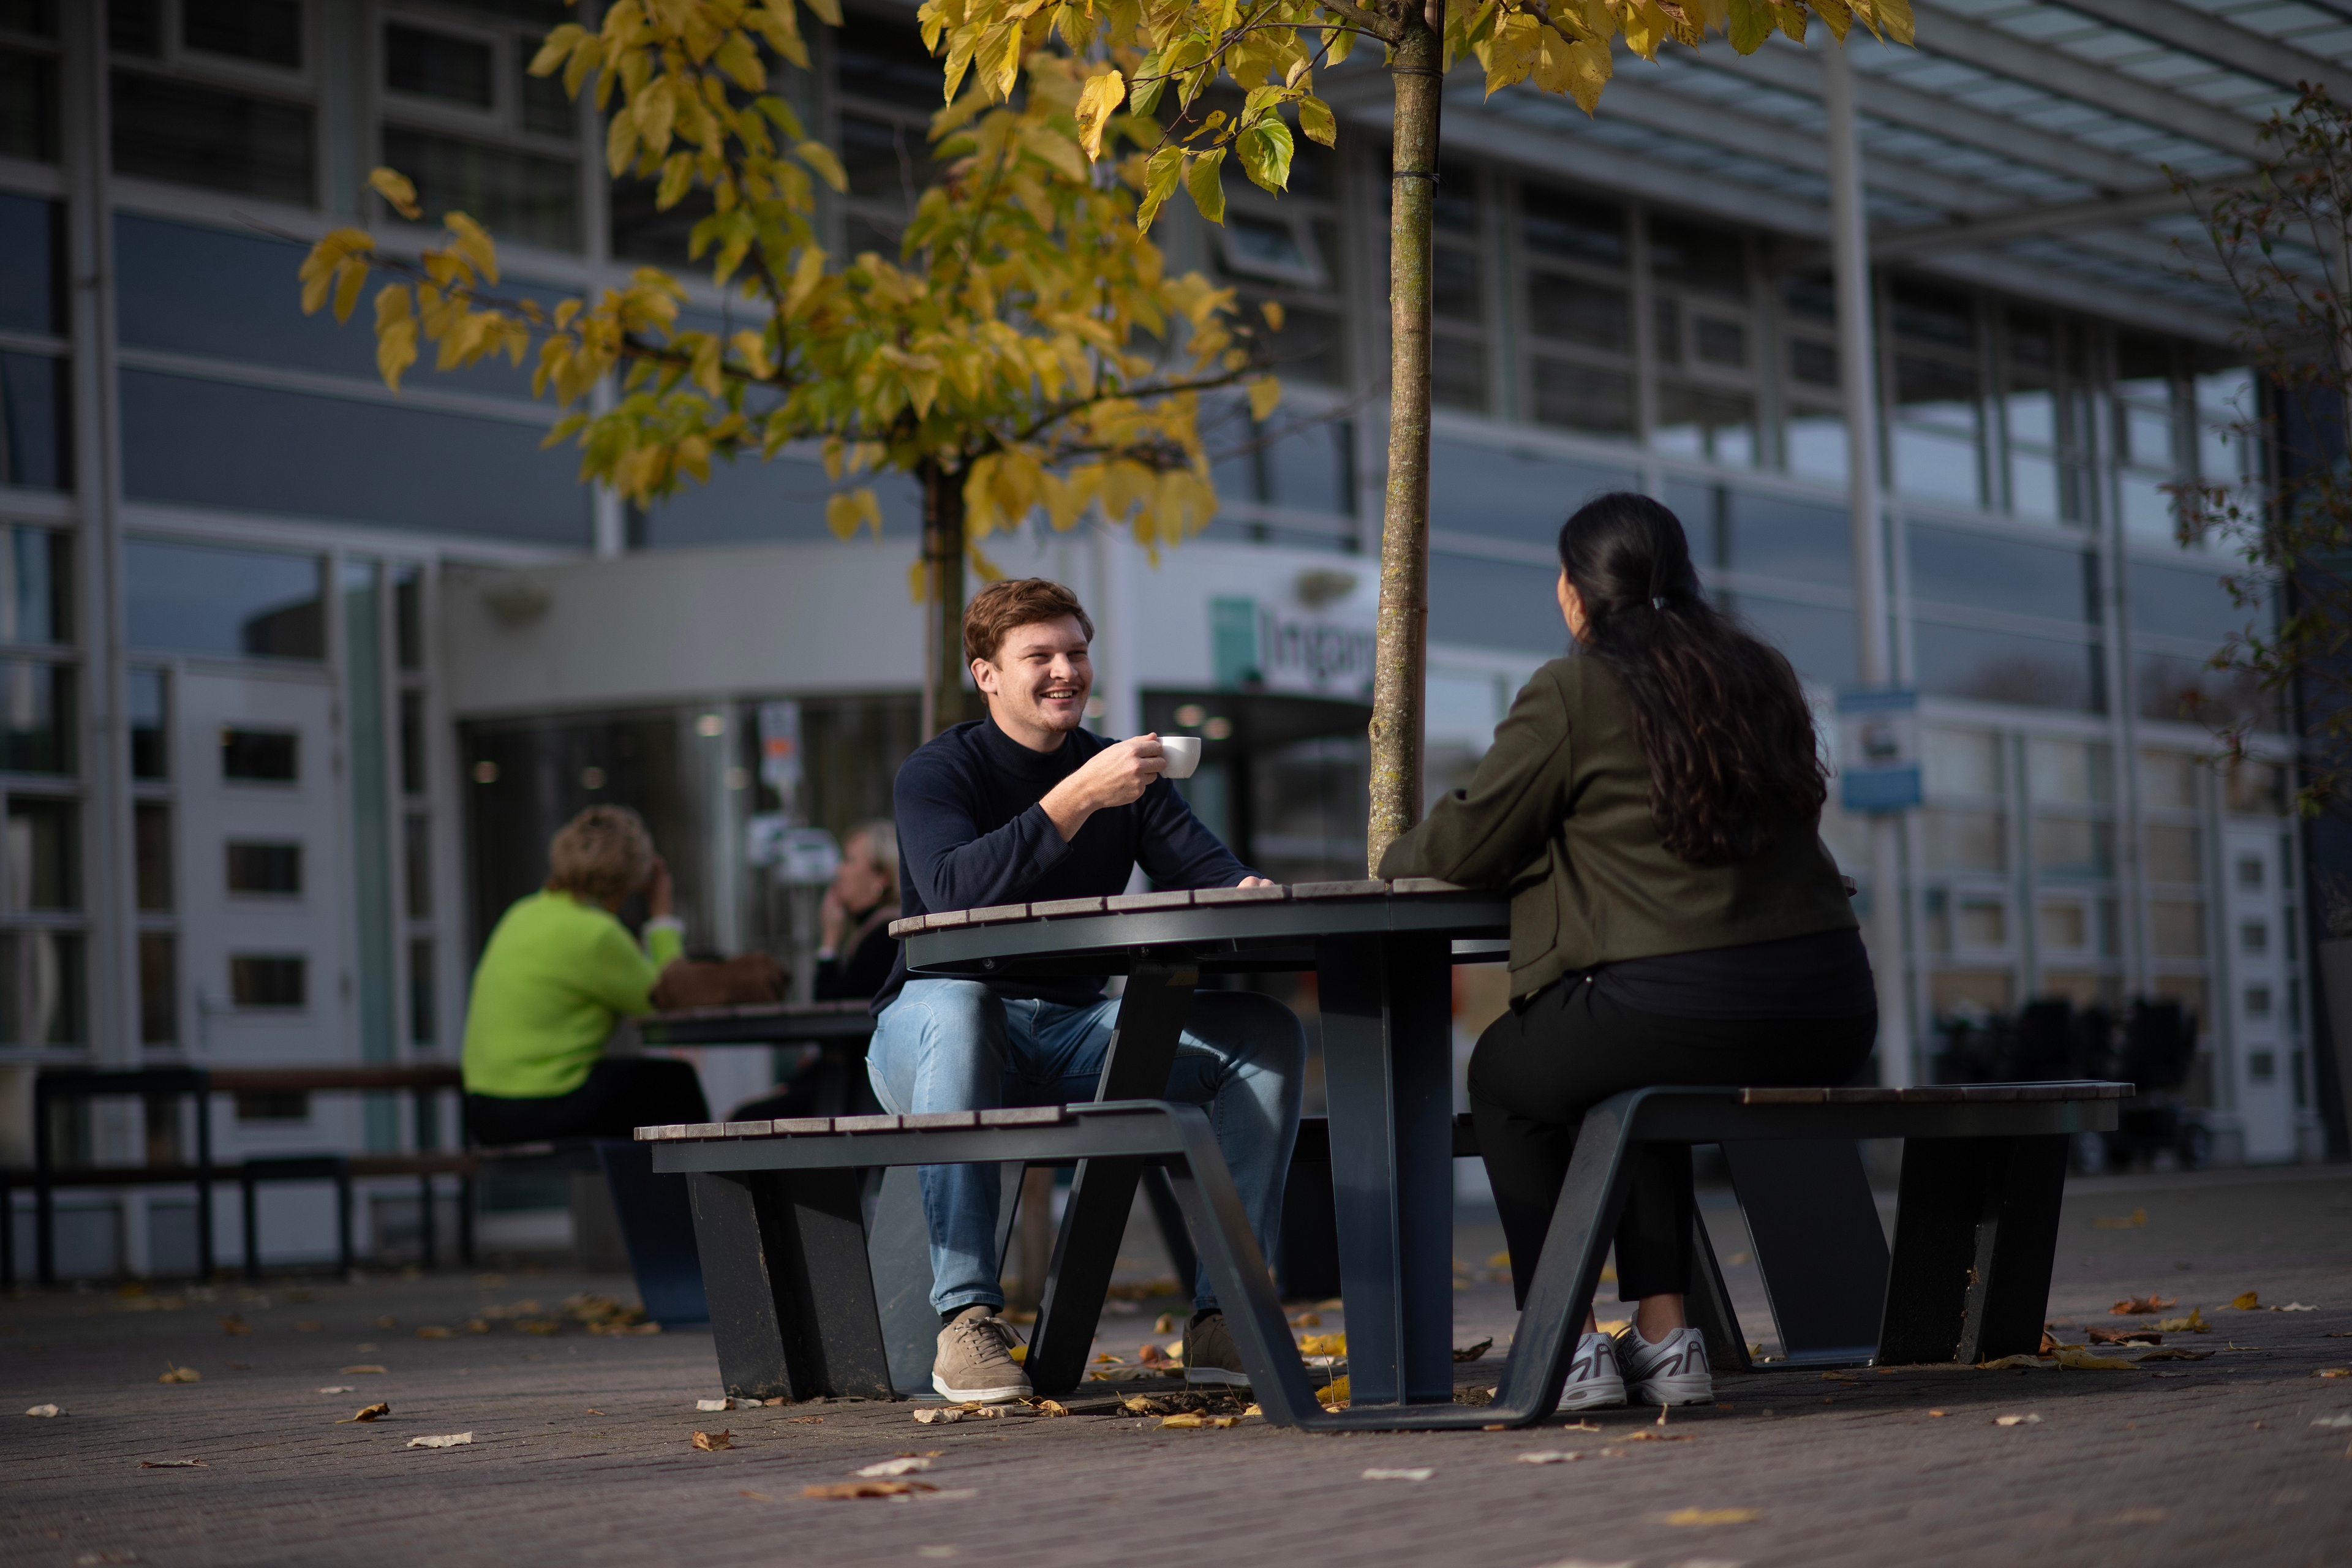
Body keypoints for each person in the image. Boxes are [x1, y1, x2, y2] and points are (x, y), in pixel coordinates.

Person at [1378, 492, 1876, 1411]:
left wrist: (1394, 852)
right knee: (1619, 1077)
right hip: (1834, 1008)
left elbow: (1462, 846)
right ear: (1682, 578)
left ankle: (1563, 1344)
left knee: (1505, 1075)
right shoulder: (1757, 673)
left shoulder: (1575, 688)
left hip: (1683, 1007)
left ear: (1575, 596)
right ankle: (1666, 1338)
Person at [869, 577, 1305, 1403]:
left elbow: (1207, 867)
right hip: (932, 1031)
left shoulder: (1120, 772)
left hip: (1074, 1031)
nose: (1065, 670)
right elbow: (956, 893)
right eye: (1039, 656)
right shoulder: (937, 773)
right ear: (986, 674)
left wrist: (1246, 887)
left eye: (1076, 652)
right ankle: (964, 1321)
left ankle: (1226, 1319)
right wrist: (1076, 800)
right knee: (963, 1004)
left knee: (1263, 1033)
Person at [463, 805, 710, 1144]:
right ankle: (702, 1195)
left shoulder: (522, 912)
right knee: (675, 1085)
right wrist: (662, 915)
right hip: (538, 1102)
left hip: (484, 1106)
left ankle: (640, 1193)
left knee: (636, 1088)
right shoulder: (597, 934)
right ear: (632, 877)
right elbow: (670, 1000)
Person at [814, 820, 900, 1000]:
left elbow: (830, 1014)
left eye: (849, 860)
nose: (839, 870)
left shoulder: (885, 939)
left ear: (882, 877)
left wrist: (829, 943)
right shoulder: (878, 930)